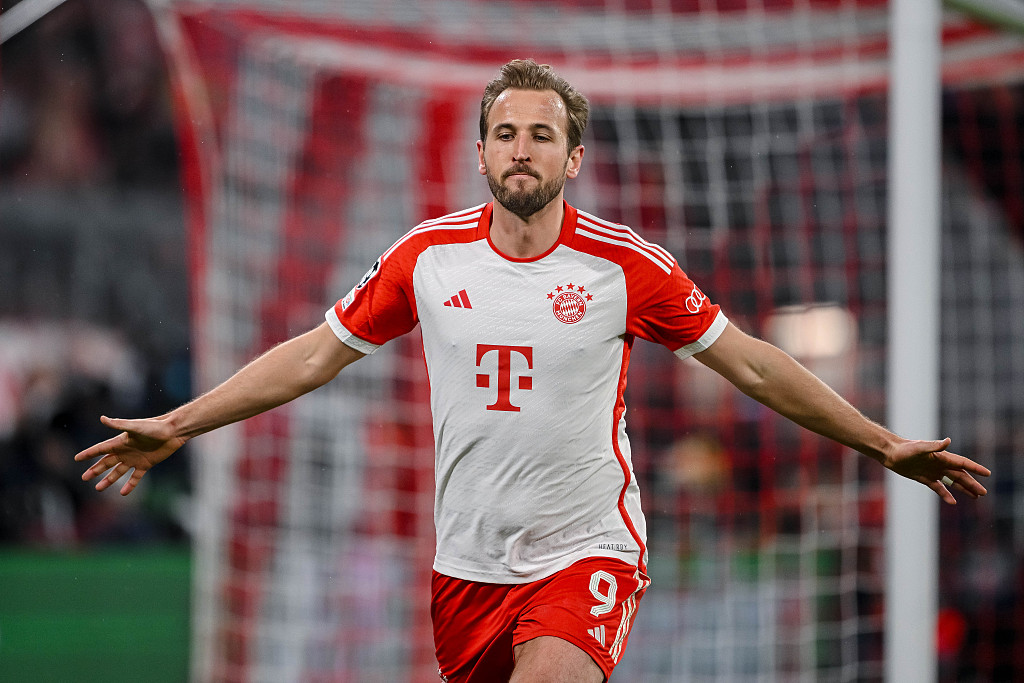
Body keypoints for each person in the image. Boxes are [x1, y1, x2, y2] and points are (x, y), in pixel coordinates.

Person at [75, 59, 990, 682]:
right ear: (480, 154)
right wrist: (181, 422)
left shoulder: (625, 266)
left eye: (541, 135)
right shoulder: (426, 259)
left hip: (587, 548)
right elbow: (314, 356)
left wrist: (880, 443)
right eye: (505, 132)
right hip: (466, 564)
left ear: (573, 157)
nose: (521, 148)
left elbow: (750, 363)